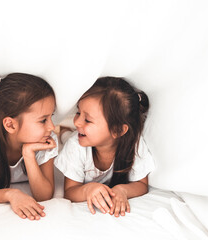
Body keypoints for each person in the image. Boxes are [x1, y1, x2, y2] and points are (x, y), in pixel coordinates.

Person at [54, 76, 155, 217]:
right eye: (78, 112)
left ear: (118, 130)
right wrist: (87, 190)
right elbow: (70, 191)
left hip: (82, 138)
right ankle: (63, 130)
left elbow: (141, 184)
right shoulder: (75, 145)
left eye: (87, 119)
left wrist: (123, 190)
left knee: (72, 135)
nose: (77, 122)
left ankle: (65, 131)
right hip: (75, 141)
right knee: (67, 139)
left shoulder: (135, 144)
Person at [0, 73, 58, 220]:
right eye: (43, 120)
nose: (52, 127)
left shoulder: (47, 140)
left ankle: (66, 133)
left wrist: (28, 154)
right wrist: (11, 194)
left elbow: (44, 196)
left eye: (51, 117)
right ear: (10, 124)